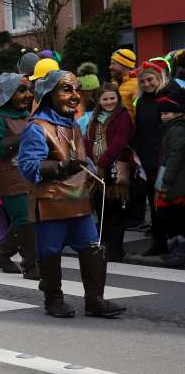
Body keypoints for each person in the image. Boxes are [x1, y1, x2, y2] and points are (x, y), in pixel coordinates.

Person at [18, 70, 125, 319]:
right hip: (51, 201)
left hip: (79, 199)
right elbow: (28, 166)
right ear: (49, 95)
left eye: (76, 89)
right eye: (67, 90)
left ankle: (95, 300)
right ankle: (53, 299)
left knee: (92, 247)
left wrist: (97, 171)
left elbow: (82, 160)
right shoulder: (37, 128)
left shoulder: (74, 125)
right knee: (50, 252)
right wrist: (61, 167)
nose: (75, 95)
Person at [0, 74, 39, 278]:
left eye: (28, 90)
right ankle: (31, 265)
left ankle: (3, 254)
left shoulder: (28, 116)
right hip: (8, 175)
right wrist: (25, 135)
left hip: (30, 173)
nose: (28, 95)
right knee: (25, 219)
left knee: (25, 219)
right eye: (21, 91)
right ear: (8, 95)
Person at [84, 83, 134, 261]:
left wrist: (102, 164)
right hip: (96, 171)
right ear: (98, 100)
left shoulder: (123, 117)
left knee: (114, 211)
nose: (109, 102)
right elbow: (88, 140)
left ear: (118, 98)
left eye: (112, 98)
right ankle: (103, 245)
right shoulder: (96, 117)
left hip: (113, 168)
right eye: (105, 99)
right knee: (101, 208)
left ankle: (115, 250)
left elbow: (119, 143)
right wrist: (89, 161)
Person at [133, 61, 168, 255]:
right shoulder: (141, 102)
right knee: (152, 203)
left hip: (164, 157)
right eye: (143, 81)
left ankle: (172, 242)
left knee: (168, 202)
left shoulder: (167, 99)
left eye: (150, 80)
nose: (146, 84)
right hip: (146, 159)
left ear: (159, 79)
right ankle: (158, 242)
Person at [155, 83, 185, 266]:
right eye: (162, 113)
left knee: (177, 217)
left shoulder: (177, 130)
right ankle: (175, 249)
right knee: (173, 217)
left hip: (177, 182)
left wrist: (166, 181)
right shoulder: (172, 128)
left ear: (178, 113)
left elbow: (175, 156)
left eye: (167, 113)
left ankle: (179, 252)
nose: (163, 116)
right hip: (175, 181)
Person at [109, 48, 138, 119]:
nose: (110, 67)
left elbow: (138, 116)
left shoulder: (136, 86)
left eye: (113, 63)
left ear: (124, 65)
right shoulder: (112, 85)